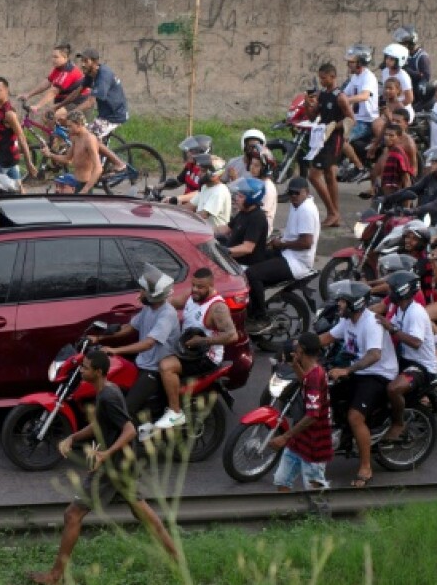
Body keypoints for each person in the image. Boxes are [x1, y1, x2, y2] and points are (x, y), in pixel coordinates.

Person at [29, 349, 178, 585]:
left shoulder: (108, 396)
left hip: (113, 467)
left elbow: (129, 430)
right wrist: (73, 438)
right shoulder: (107, 391)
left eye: (86, 367)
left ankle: (55, 576)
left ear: (98, 372)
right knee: (142, 512)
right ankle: (177, 560)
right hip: (122, 463)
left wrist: (105, 454)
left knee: (73, 514)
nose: (81, 370)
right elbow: (99, 425)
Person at [319, 280, 400, 488]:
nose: (338, 305)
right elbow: (328, 337)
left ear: (354, 304)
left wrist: (347, 370)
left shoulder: (371, 322)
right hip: (359, 370)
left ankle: (365, 467)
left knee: (355, 417)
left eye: (342, 301)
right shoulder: (347, 320)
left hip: (378, 373)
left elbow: (374, 355)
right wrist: (300, 344)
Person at [90, 266, 179, 417]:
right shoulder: (149, 308)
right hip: (142, 361)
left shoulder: (166, 314)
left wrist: (115, 350)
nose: (140, 293)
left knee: (127, 410)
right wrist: (99, 338)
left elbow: (148, 343)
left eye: (143, 290)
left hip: (154, 369)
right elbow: (129, 328)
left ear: (153, 294)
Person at [154, 268, 236, 429]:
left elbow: (232, 336)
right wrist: (151, 300)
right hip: (187, 350)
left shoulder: (217, 307)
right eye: (193, 285)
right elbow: (172, 302)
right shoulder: (191, 296)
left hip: (206, 357)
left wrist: (203, 341)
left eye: (201, 287)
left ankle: (175, 412)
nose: (195, 290)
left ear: (211, 285)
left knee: (166, 367)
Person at [244, 177, 319, 332]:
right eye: (290, 193)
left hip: (296, 262)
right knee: (252, 258)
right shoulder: (297, 205)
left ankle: (260, 318)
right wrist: (278, 240)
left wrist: (282, 244)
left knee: (253, 274)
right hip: (287, 253)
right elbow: (293, 234)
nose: (293, 196)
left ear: (307, 192)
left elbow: (306, 243)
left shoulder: (306, 210)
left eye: (296, 193)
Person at [376, 270, 437, 445]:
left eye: (392, 289)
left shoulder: (415, 313)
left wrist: (392, 329)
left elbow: (416, 342)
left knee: (393, 389)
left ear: (401, 291)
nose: (389, 293)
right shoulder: (400, 310)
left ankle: (398, 424)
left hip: (421, 366)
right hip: (405, 360)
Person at [269, 333, 331, 493]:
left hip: (314, 444)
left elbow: (312, 414)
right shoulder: (311, 372)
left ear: (302, 350)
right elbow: (306, 383)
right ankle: (283, 515)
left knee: (315, 492)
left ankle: (320, 517)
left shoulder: (315, 377)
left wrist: (285, 436)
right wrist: (296, 365)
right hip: (299, 440)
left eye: (297, 346)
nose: (294, 348)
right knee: (282, 480)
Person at [307, 63, 352, 228]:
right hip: (321, 138)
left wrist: (334, 126)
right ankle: (335, 215)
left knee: (313, 176)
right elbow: (313, 117)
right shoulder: (322, 95)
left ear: (332, 77)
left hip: (334, 140)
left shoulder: (340, 97)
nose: (321, 81)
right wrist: (308, 104)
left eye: (324, 78)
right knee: (329, 176)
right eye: (320, 78)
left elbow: (350, 119)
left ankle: (332, 212)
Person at [379, 147, 437, 224]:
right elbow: (413, 189)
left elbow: (436, 205)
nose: (431, 163)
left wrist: (413, 211)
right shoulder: (432, 176)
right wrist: (387, 198)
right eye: (432, 161)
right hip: (426, 219)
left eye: (436, 161)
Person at [61, 48, 129, 141]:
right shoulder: (91, 73)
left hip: (114, 115)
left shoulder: (103, 75)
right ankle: (100, 154)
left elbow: (90, 102)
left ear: (95, 62)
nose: (82, 64)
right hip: (104, 114)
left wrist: (70, 114)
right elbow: (77, 91)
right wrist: (58, 105)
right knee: (84, 135)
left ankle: (104, 155)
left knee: (88, 138)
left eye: (86, 61)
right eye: (82, 61)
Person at [339, 46, 379, 183]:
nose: (348, 64)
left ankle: (360, 168)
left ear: (360, 63)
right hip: (355, 118)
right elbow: (345, 92)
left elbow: (364, 95)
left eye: (352, 62)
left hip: (366, 121)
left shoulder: (368, 77)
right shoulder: (356, 77)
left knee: (341, 140)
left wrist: (346, 100)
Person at [18, 43, 87, 120]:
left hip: (77, 101)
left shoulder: (68, 71)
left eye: (56, 57)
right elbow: (47, 83)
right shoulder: (59, 68)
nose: (53, 59)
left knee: (55, 116)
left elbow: (53, 92)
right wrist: (28, 95)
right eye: (52, 57)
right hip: (65, 101)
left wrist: (38, 106)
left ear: (65, 58)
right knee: (47, 117)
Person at [40, 110, 101, 194]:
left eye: (70, 126)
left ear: (79, 125)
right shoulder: (76, 138)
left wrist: (85, 190)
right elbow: (67, 159)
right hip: (75, 183)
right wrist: (49, 154)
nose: (68, 129)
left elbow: (98, 168)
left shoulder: (89, 140)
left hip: (84, 185)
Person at [0, 77, 35, 181]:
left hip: (5, 161)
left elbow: (21, 138)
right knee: (18, 189)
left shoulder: (9, 114)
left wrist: (29, 163)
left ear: (6, 91)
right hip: (2, 159)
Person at [222, 177, 270, 267]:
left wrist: (225, 251)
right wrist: (205, 229)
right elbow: (226, 229)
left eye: (241, 196)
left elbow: (247, 248)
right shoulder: (243, 212)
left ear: (251, 199)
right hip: (232, 260)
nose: (236, 198)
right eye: (237, 195)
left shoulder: (257, 218)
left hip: (244, 265)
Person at [394, 26, 432, 107]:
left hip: (415, 95)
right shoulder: (405, 55)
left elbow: (425, 79)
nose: (401, 46)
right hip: (403, 90)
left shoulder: (422, 57)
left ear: (410, 43)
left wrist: (407, 70)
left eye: (403, 44)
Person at [189, 155, 231, 229]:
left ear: (214, 174)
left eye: (203, 171)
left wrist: (183, 219)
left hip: (215, 236)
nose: (198, 174)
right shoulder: (205, 187)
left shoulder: (219, 192)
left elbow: (203, 215)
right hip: (203, 231)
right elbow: (190, 206)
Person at [374, 126, 415, 198]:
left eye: (391, 135)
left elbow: (406, 180)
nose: (387, 138)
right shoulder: (387, 151)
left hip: (395, 198)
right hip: (385, 195)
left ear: (399, 138)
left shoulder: (398, 153)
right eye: (386, 135)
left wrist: (406, 207)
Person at [246, 148, 278, 232]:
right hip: (249, 223)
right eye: (251, 164)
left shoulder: (267, 187)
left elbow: (260, 215)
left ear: (265, 169)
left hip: (259, 230)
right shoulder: (254, 182)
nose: (252, 167)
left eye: (256, 165)